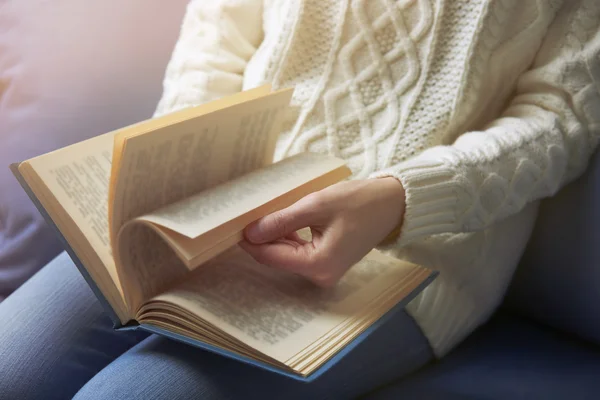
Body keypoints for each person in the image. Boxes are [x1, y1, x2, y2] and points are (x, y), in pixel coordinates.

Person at [1, 0, 599, 398]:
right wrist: (185, 168)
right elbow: (220, 30)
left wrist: (398, 199)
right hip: (216, 205)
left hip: (416, 255)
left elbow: (562, 118)